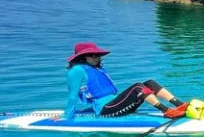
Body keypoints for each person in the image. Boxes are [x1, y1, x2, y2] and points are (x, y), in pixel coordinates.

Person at [58, 42, 188, 120]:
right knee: (138, 87)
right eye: (92, 55)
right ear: (81, 57)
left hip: (114, 104)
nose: (96, 57)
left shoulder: (96, 68)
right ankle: (167, 111)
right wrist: (67, 117)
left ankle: (180, 105)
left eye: (97, 54)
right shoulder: (76, 71)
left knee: (149, 82)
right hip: (105, 110)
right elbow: (72, 95)